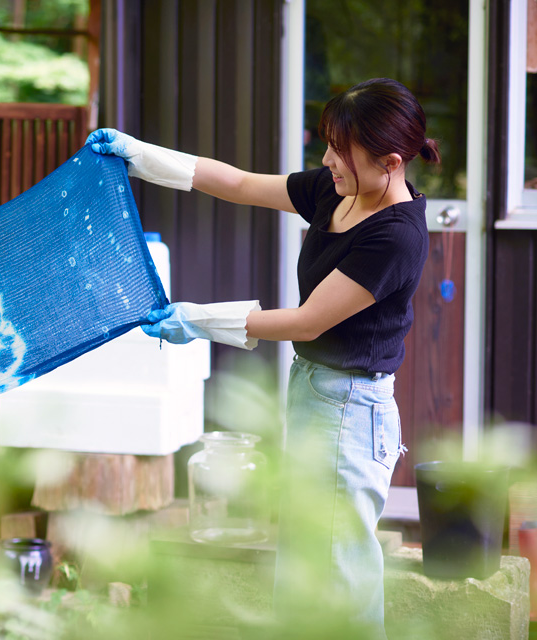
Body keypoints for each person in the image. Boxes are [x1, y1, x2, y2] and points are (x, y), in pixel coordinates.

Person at [87, 77, 441, 638]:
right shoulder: (338, 188)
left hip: (348, 409)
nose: (327, 161)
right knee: (307, 565)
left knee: (338, 576)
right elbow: (241, 183)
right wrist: (140, 156)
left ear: (391, 162)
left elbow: (307, 321)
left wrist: (198, 320)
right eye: (327, 145)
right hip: (314, 391)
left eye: (340, 150)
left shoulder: (396, 237)